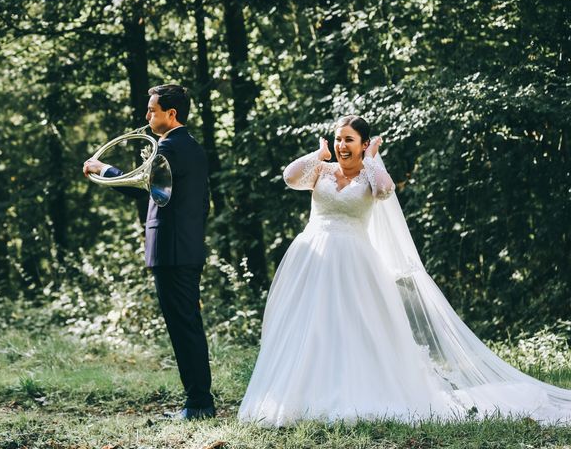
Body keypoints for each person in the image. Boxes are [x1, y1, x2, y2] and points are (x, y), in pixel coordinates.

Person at [238, 115, 571, 426]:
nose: (342, 146)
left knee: (355, 327)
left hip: (354, 261)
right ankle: (299, 395)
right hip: (313, 258)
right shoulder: (321, 172)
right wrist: (318, 152)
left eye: (350, 140)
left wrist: (371, 159)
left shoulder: (369, 173)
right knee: (309, 326)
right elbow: (289, 176)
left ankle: (352, 391)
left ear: (363, 143)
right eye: (339, 139)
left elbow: (385, 190)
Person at [83, 84, 215, 420]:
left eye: (152, 110)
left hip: (171, 251)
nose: (147, 116)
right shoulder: (194, 148)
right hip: (186, 248)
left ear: (171, 114)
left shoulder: (169, 147)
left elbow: (142, 186)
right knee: (188, 325)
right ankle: (198, 401)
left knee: (183, 327)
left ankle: (199, 404)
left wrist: (102, 170)